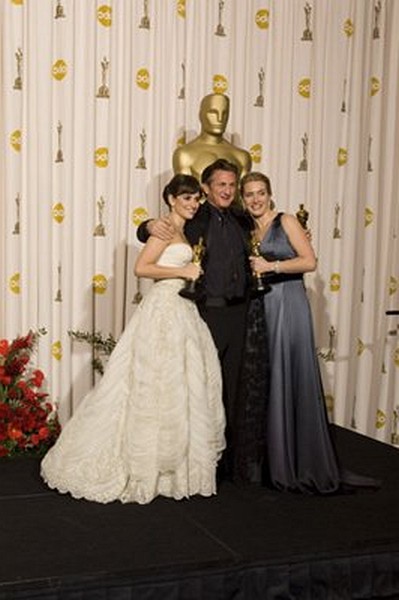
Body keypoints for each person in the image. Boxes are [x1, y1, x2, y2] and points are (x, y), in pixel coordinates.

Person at [41, 174, 225, 504]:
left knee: (179, 385)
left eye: (197, 198)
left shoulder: (186, 229)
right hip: (163, 309)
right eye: (186, 198)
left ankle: (173, 470)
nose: (194, 204)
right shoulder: (166, 228)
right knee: (152, 383)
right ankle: (145, 466)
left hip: (182, 311)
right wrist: (182, 272)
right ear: (170, 199)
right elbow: (142, 267)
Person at [236, 171, 379, 494]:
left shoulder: (285, 221)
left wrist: (270, 267)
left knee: (288, 373)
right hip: (260, 308)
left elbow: (310, 261)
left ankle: (297, 462)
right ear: (243, 199)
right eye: (249, 195)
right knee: (268, 378)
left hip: (288, 303)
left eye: (260, 193)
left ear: (270, 194)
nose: (256, 199)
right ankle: (274, 461)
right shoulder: (248, 227)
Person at [137, 159, 253, 479]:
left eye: (232, 185)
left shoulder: (243, 219)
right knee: (195, 386)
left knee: (227, 387)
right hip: (206, 311)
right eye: (221, 185)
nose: (228, 191)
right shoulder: (194, 215)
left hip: (239, 311)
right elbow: (160, 230)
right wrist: (147, 225)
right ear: (207, 189)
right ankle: (185, 458)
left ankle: (226, 462)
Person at [172, 93, 252, 181]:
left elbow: (244, 192)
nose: (220, 119)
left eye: (224, 113)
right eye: (213, 113)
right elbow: (184, 191)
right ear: (201, 115)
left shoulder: (241, 156)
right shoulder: (184, 154)